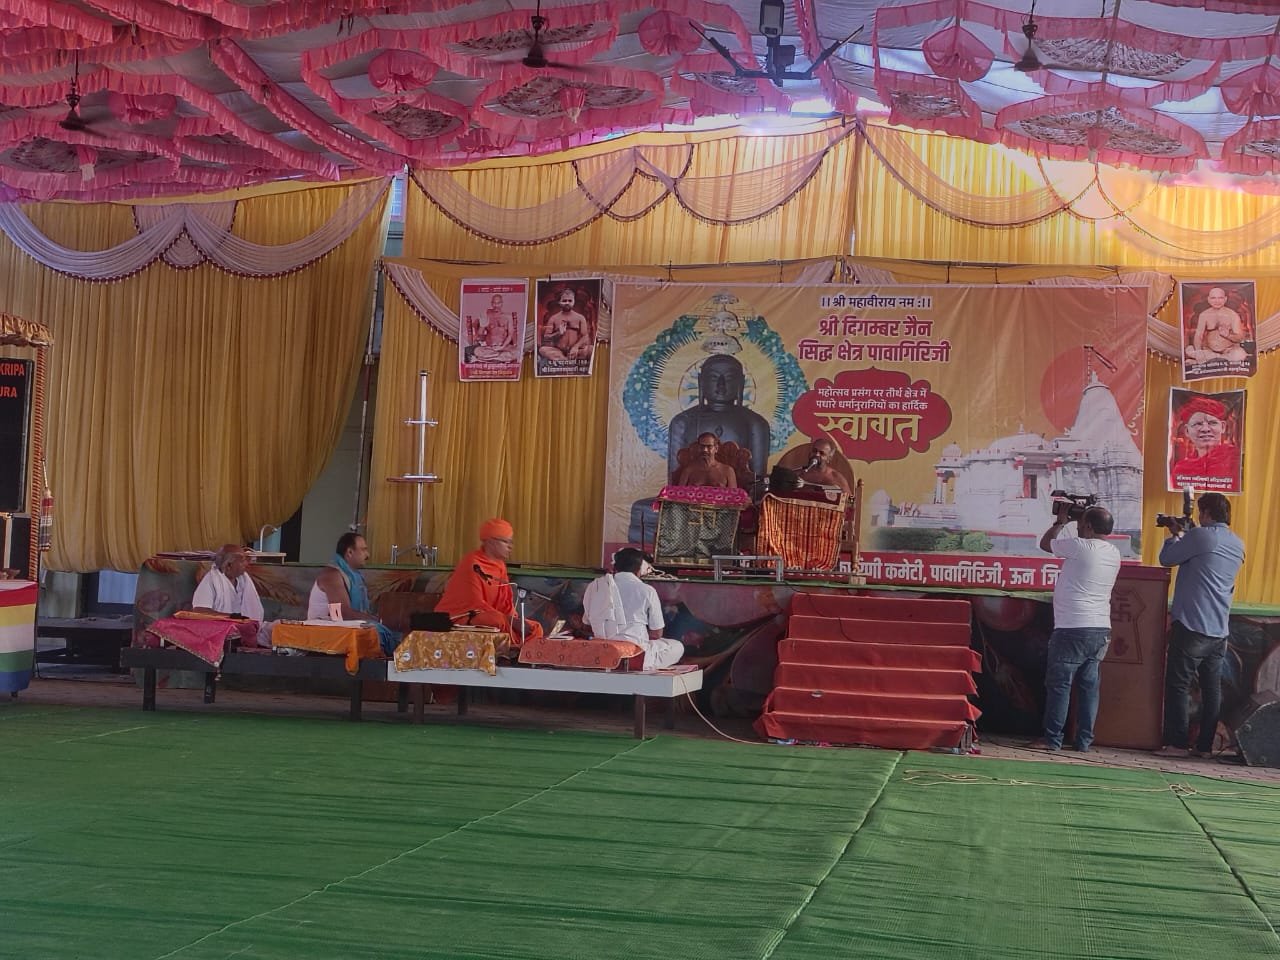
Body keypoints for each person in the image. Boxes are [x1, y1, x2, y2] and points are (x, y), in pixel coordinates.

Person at [1155, 492, 1245, 758]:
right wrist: (1188, 533)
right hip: (1219, 628)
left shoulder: (1201, 536)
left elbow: (1167, 559)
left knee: (1178, 684)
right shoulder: (1237, 542)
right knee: (1211, 689)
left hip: (1193, 624)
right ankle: (1204, 747)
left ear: (1205, 513)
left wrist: (1175, 535)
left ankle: (1177, 744)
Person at [1035, 503, 1121, 752]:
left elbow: (1046, 544)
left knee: (1060, 685)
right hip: (1100, 628)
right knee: (1088, 687)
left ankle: (1052, 740)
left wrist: (1061, 521)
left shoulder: (1081, 546)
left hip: (1072, 627)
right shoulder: (1114, 552)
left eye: (1081, 524)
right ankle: (1083, 741)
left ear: (1089, 527)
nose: (1078, 527)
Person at [435, 518, 544, 651]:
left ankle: (521, 655)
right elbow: (474, 603)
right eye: (506, 541)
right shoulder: (472, 563)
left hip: (494, 616)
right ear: (491, 542)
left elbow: (505, 602)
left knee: (535, 627)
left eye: (511, 542)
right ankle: (511, 650)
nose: (510, 546)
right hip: (462, 616)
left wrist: (514, 619)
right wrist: (508, 620)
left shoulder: (500, 566)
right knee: (496, 621)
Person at [666, 354, 770, 483]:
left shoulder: (755, 423)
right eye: (713, 377)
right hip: (692, 492)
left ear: (740, 383)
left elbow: (757, 481)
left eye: (729, 378)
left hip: (736, 493)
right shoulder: (682, 422)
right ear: (701, 382)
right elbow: (675, 481)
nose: (721, 385)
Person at [582, 548, 683, 671]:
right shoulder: (647, 590)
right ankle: (638, 662)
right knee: (677, 646)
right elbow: (657, 634)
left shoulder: (594, 586)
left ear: (615, 567)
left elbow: (586, 625)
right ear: (639, 569)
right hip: (635, 654)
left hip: (601, 651)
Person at [309, 532, 399, 655]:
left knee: (393, 633)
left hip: (342, 628)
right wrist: (378, 620)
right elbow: (341, 614)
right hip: (325, 632)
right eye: (363, 550)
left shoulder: (353, 576)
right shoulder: (332, 575)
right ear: (350, 552)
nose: (367, 555)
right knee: (379, 631)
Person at [192, 543, 266, 647]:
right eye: (242, 560)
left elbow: (254, 614)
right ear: (229, 565)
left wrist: (243, 622)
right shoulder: (211, 580)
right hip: (222, 630)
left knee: (277, 628)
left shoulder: (243, 579)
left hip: (247, 626)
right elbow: (199, 611)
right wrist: (232, 618)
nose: (246, 564)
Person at [1169, 396, 1240, 489]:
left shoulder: (1235, 459)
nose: (1205, 429)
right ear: (1187, 431)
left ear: (1223, 427)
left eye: (1212, 423)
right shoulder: (1181, 469)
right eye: (1198, 424)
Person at [1186, 287, 1248, 364]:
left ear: (1225, 299)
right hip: (1208, 350)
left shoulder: (1233, 315)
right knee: (1189, 350)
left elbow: (1239, 338)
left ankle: (1208, 360)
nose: (1217, 301)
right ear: (1208, 299)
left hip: (1227, 350)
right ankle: (1219, 359)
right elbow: (1198, 336)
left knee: (1240, 354)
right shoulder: (1204, 315)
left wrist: (1228, 335)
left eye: (1220, 298)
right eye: (1213, 298)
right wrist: (1198, 352)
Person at [537, 288, 592, 362]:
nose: (567, 303)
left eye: (570, 301)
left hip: (576, 351)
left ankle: (565, 360)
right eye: (564, 301)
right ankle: (565, 360)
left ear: (574, 301)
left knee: (591, 349)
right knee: (542, 350)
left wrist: (575, 347)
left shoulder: (580, 318)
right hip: (559, 351)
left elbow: (585, 336)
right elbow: (547, 337)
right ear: (559, 302)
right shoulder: (554, 318)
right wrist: (558, 333)